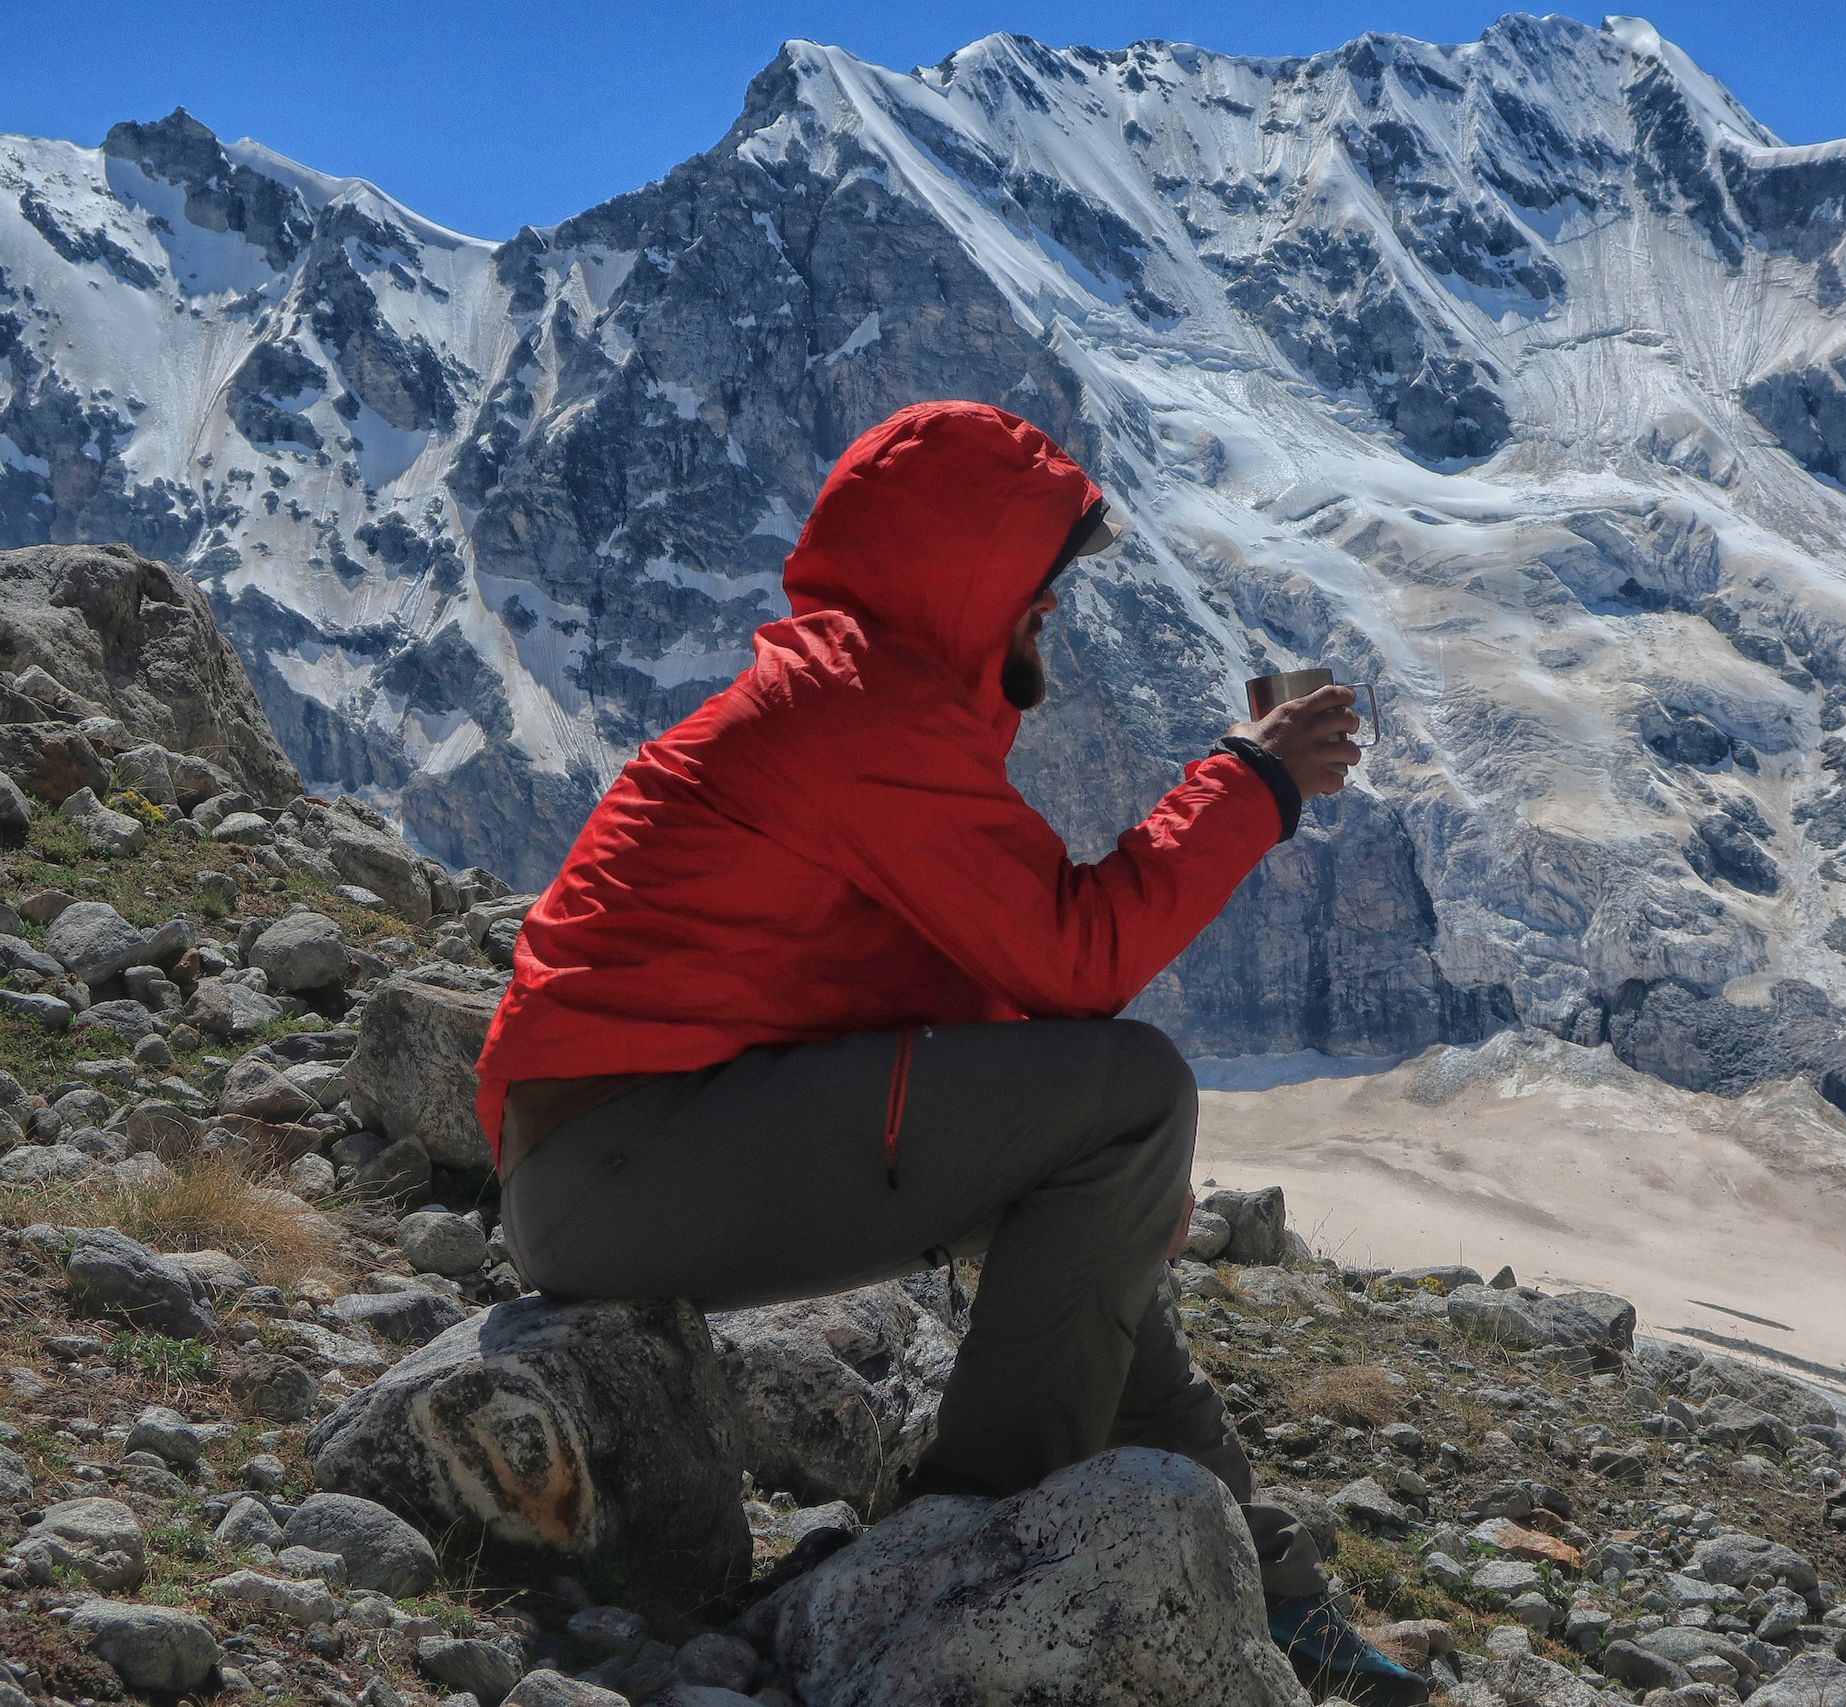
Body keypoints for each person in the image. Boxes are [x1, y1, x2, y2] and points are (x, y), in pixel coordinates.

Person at [473, 399, 1430, 1706]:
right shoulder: (854, 715)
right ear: (970, 576)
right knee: (1132, 1093)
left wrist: (1114, 1188)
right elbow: (1076, 958)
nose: (1051, 610)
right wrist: (1249, 782)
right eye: (1038, 581)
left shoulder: (863, 703)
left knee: (1097, 1225)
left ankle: (1280, 1610)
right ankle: (969, 1540)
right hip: (627, 1151)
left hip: (641, 1144)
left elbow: (959, 995)